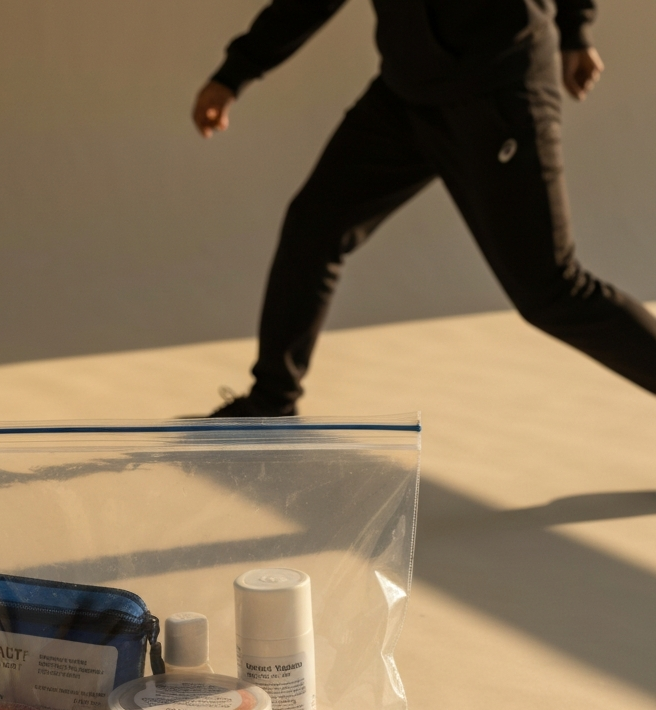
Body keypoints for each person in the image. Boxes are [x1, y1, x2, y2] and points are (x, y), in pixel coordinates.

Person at [193, 0, 656, 416]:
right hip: (405, 95)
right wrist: (235, 73)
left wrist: (576, 28)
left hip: (496, 91)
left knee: (552, 291)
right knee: (313, 226)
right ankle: (271, 404)